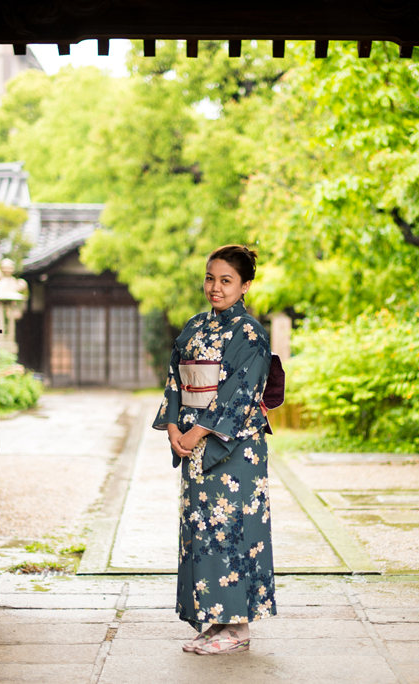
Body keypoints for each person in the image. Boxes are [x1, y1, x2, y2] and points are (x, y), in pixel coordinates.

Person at [152, 244, 276, 655]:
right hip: (193, 445)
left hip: (234, 448)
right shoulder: (194, 327)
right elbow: (175, 380)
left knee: (233, 531)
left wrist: (195, 433)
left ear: (245, 286)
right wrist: (173, 426)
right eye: (210, 278)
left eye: (226, 280)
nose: (215, 287)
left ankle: (237, 626)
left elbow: (239, 394)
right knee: (200, 531)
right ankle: (215, 621)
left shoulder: (250, 333)